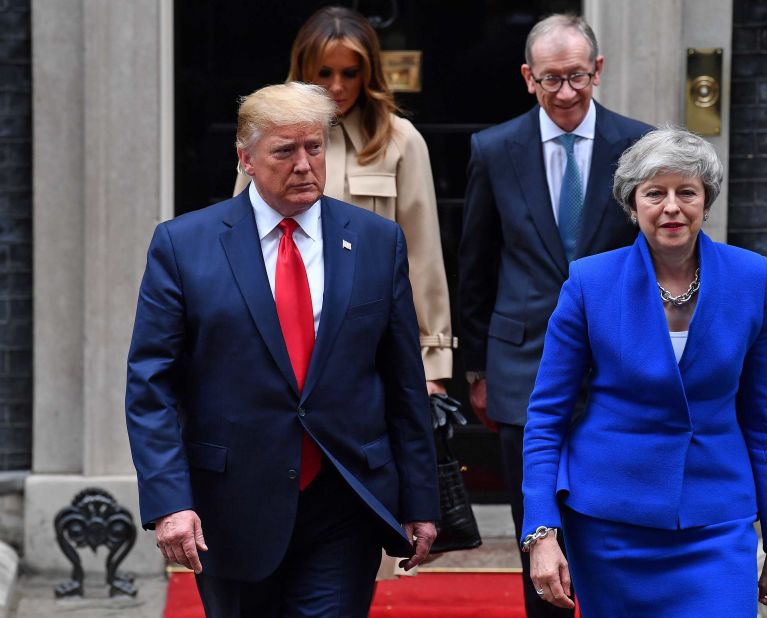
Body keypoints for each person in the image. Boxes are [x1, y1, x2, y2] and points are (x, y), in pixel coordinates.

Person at [125, 82, 439, 617]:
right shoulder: (184, 245)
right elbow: (150, 385)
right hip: (232, 503)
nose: (304, 165)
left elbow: (402, 380)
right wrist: (169, 501)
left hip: (344, 495)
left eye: (314, 148)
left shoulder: (374, 241)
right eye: (284, 151)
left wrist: (419, 500)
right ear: (246, 158)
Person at [521, 127, 767, 616]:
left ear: (706, 201)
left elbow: (765, 419)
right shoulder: (590, 282)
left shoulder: (752, 278)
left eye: (686, 191)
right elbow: (546, 420)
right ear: (634, 205)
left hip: (716, 523)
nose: (671, 206)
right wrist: (541, 533)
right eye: (655, 193)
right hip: (610, 525)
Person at [458, 13, 651, 616]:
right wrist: (477, 370)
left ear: (598, 71)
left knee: (613, 521)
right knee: (536, 528)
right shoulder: (494, 149)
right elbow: (476, 265)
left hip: (618, 364)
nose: (565, 93)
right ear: (527, 78)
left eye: (576, 77)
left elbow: (660, 257)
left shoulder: (639, 145)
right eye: (550, 80)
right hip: (522, 364)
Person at [234, 6, 455, 401]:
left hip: (368, 343)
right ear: (304, 69)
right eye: (324, 73)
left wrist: (431, 362)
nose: (336, 86)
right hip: (278, 338)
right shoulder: (264, 139)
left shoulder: (400, 140)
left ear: (368, 73)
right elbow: (238, 239)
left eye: (350, 73)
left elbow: (422, 257)